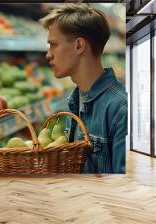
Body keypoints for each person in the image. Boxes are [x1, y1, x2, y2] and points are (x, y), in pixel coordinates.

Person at [40, 3, 127, 173]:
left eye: (53, 45)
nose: (48, 54)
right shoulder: (74, 102)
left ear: (79, 46)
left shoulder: (120, 109)